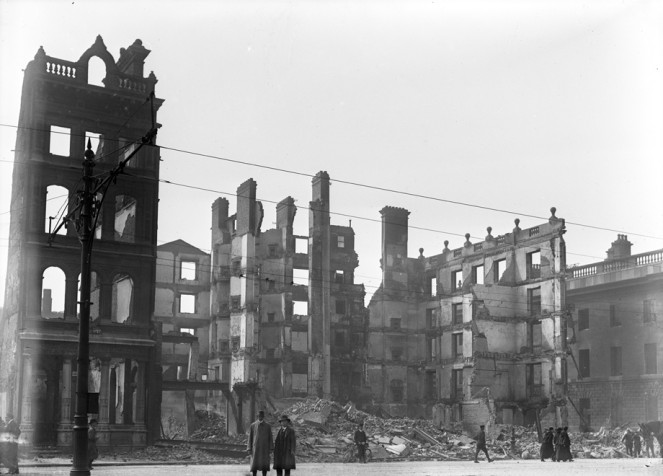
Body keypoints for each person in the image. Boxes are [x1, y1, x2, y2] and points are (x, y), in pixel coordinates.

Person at [247, 410, 272, 476]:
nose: (260, 417)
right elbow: (250, 438)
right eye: (259, 416)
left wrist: (271, 448)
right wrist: (249, 448)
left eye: (261, 416)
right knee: (254, 465)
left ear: (263, 417)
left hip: (264, 448)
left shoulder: (268, 426)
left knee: (264, 465)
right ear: (257, 416)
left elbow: (270, 438)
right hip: (255, 449)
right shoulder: (253, 425)